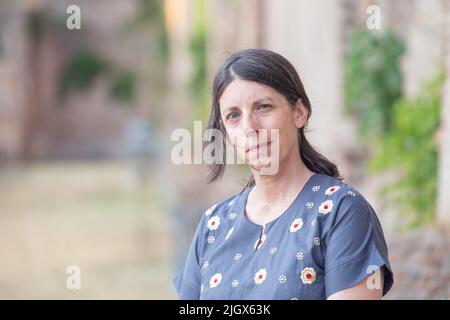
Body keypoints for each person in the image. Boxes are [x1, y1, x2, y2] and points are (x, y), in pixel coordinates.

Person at [172, 48, 393, 300]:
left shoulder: (340, 212)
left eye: (263, 107)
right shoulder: (213, 226)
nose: (249, 127)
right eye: (234, 116)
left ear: (299, 112)